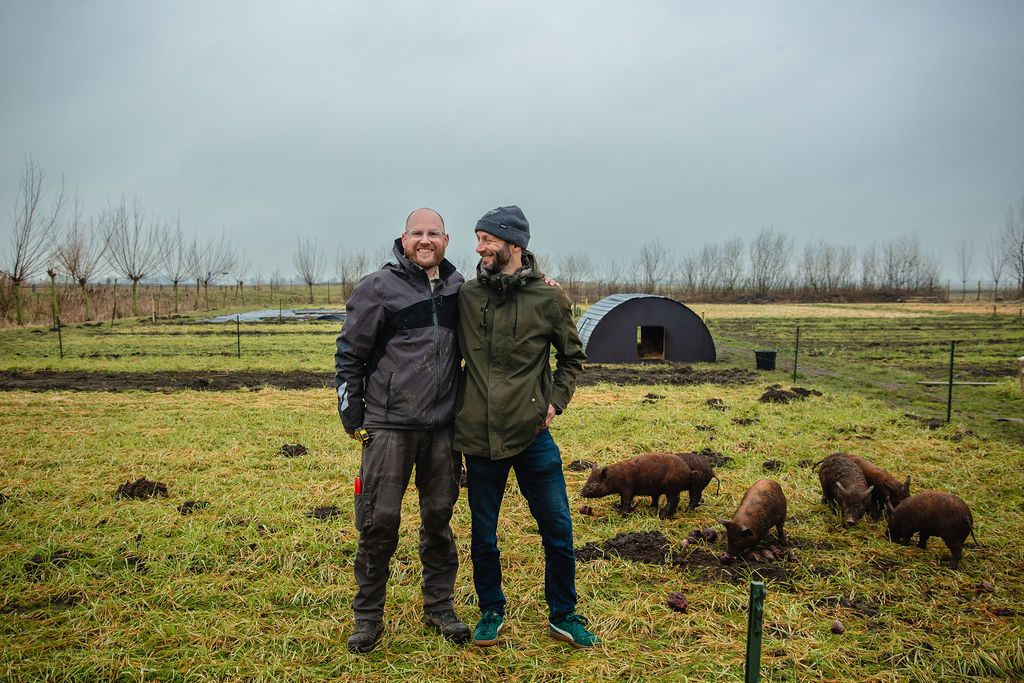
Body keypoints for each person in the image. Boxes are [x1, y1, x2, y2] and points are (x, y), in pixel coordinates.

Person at [454, 205, 599, 649]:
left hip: (534, 435)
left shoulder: (550, 299)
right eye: (476, 239)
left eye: (487, 240)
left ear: (515, 246)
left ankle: (564, 614)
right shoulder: (465, 295)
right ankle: (490, 610)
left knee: (557, 529)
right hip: (479, 436)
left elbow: (572, 357)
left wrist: (555, 400)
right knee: (484, 533)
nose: (478, 248)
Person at [334, 208, 470, 653]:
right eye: (417, 233)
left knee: (439, 520)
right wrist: (352, 414)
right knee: (378, 522)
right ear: (404, 238)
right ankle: (368, 617)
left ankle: (440, 606)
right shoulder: (378, 287)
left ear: (446, 240)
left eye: (433, 233)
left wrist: (541, 280)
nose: (425, 240)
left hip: (443, 430)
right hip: (389, 428)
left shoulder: (458, 288)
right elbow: (350, 353)